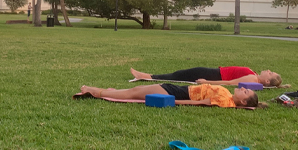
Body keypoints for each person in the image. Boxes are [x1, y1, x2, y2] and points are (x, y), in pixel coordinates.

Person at [79, 83, 265, 109]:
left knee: (135, 93)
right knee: (140, 89)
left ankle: (97, 92)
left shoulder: (226, 100)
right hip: (179, 88)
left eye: (246, 91)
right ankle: (105, 91)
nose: (242, 88)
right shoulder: (229, 96)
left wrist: (173, 101)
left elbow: (200, 103)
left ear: (243, 100)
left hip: (178, 93)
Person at [130, 66, 282, 87]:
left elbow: (229, 83)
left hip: (213, 75)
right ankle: (147, 76)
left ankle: (146, 76)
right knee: (181, 73)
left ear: (267, 80)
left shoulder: (252, 79)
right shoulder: (254, 76)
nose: (268, 70)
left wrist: (206, 82)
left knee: (180, 75)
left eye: (270, 73)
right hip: (214, 72)